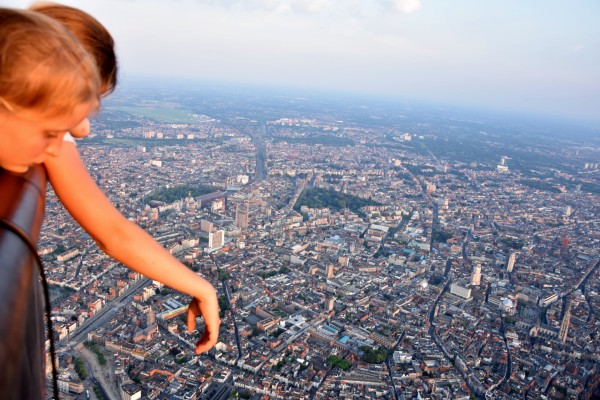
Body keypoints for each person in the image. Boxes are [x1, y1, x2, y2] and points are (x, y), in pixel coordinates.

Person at [1, 5, 221, 354]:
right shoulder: (34, 136)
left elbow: (113, 231)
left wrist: (203, 288)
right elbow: (111, 231)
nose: (81, 131)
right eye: (57, 123)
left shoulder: (33, 133)